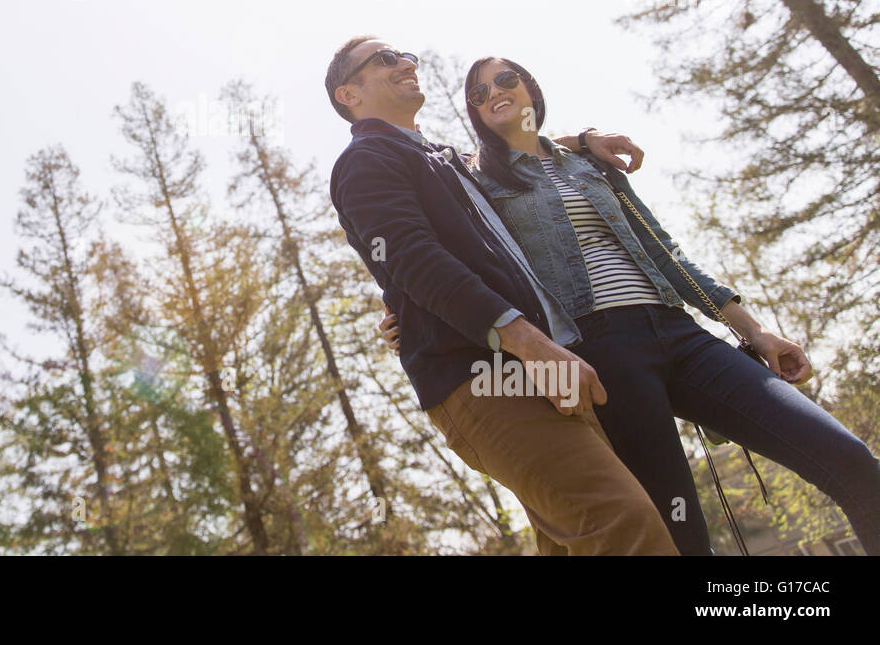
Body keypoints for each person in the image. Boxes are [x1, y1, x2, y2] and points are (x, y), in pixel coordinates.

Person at [383, 54, 880, 555]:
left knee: (849, 458)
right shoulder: (476, 182)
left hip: (681, 335)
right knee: (679, 537)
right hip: (598, 354)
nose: (493, 93)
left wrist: (755, 332)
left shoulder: (590, 163)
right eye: (479, 93)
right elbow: (441, 249)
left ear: (530, 87)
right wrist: (409, 314)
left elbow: (668, 254)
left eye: (504, 80)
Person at [327, 35, 678, 554]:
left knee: (573, 540)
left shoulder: (439, 159)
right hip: (484, 377)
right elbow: (413, 260)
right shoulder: (366, 159)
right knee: (622, 523)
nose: (404, 62)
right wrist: (532, 345)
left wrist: (580, 141)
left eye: (405, 55)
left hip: (539, 367)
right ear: (347, 94)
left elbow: (510, 151)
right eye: (384, 59)